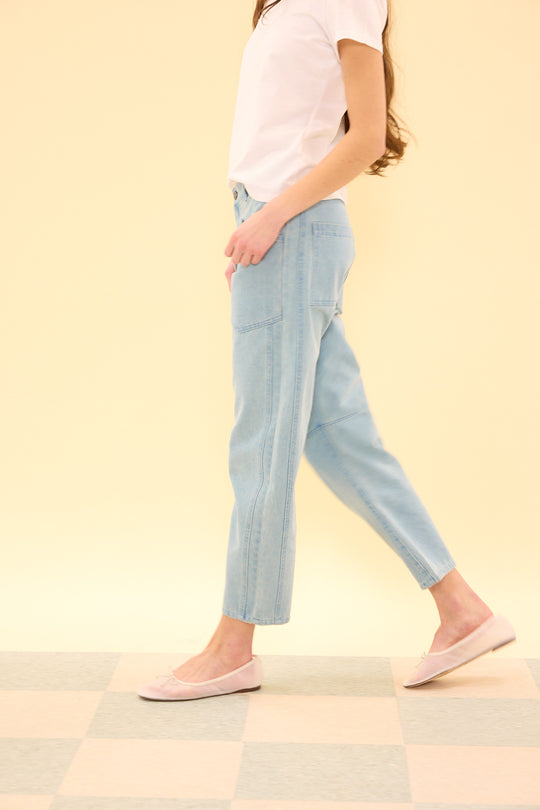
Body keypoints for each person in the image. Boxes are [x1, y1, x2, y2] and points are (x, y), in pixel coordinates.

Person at [137, 0, 515, 701]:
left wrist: (272, 219)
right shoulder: (286, 4)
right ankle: (461, 608)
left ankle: (233, 646)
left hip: (292, 227)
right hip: (284, 232)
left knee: (262, 443)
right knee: (339, 438)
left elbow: (365, 136)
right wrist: (260, 221)